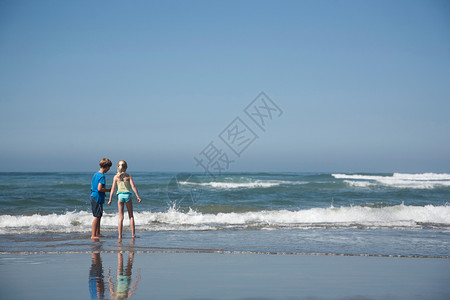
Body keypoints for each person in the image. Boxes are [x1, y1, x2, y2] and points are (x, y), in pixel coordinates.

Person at [108, 160, 142, 239]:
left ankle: (120, 235)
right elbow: (133, 187)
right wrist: (138, 196)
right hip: (127, 196)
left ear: (117, 167)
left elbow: (113, 189)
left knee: (121, 217)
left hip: (120, 196)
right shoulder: (128, 176)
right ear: (126, 167)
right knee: (131, 216)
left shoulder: (116, 177)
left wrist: (110, 199)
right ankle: (133, 234)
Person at [90, 158, 112, 239]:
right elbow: (99, 188)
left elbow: (94, 186)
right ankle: (93, 235)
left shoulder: (95, 174)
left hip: (94, 196)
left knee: (99, 215)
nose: (108, 169)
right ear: (106, 167)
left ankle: (97, 233)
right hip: (97, 197)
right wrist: (108, 190)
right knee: (97, 216)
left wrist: (104, 193)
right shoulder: (102, 176)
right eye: (109, 167)